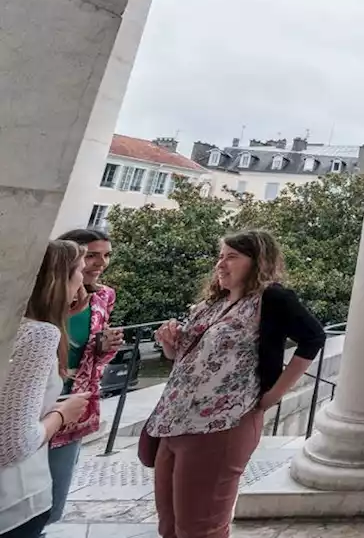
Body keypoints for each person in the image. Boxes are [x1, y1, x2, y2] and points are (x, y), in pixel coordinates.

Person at [146, 230, 325, 538]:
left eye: (232, 257)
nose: (221, 264)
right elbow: (182, 357)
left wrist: (275, 394)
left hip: (221, 424)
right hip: (174, 421)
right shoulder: (212, 303)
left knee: (200, 528)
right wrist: (168, 342)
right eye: (220, 256)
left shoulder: (271, 298)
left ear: (257, 262)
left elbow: (313, 337)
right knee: (169, 525)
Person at [0, 241, 92, 538]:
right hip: (14, 501)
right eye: (79, 270)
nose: (83, 278)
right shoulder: (38, 334)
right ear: (59, 278)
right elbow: (12, 444)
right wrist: (62, 414)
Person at [47, 229, 123, 524]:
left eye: (106, 255)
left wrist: (104, 346)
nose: (100, 263)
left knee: (55, 493)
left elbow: (94, 355)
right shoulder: (43, 296)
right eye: (92, 255)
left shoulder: (105, 296)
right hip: (35, 400)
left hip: (75, 402)